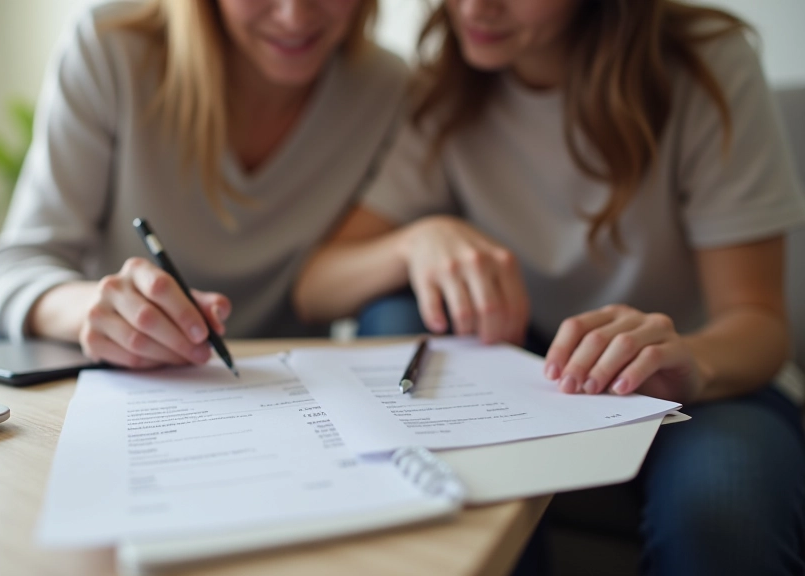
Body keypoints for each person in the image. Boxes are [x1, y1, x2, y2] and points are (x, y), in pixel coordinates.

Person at [294, 0, 805, 574]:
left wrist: (696, 362)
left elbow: (759, 321)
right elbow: (316, 286)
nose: (474, 8)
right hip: (535, 372)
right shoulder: (448, 90)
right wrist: (417, 239)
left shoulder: (702, 65)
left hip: (703, 382)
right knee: (394, 309)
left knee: (720, 514)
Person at [0, 0, 406, 368]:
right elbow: (11, 271)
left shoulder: (392, 92)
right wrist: (96, 310)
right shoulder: (112, 49)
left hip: (282, 388)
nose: (293, 16)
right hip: (114, 373)